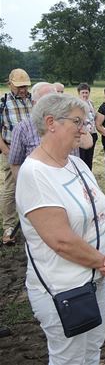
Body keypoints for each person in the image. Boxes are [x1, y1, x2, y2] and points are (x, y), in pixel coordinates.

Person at [16, 93, 105, 364]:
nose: (84, 128)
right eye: (78, 121)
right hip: (65, 289)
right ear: (51, 122)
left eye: (85, 121)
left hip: (96, 279)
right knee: (70, 358)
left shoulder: (76, 163)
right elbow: (61, 240)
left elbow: (102, 208)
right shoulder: (35, 174)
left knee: (92, 350)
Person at [8, 83, 92, 180]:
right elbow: (15, 163)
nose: (55, 105)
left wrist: (77, 122)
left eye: (57, 100)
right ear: (35, 103)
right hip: (42, 185)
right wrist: (26, 186)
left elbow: (87, 143)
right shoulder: (22, 128)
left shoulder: (68, 122)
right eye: (48, 101)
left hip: (71, 180)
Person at [1, 68, 33, 245]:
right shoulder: (3, 103)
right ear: (10, 84)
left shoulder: (32, 101)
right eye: (19, 86)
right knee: (11, 189)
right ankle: (8, 227)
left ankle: (31, 223)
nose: (23, 90)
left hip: (31, 152)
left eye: (25, 86)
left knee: (31, 187)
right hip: (10, 150)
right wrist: (7, 153)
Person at [77, 83, 99, 170]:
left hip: (92, 133)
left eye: (86, 92)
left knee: (90, 157)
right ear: (79, 93)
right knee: (82, 157)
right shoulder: (77, 104)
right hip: (83, 134)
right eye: (83, 93)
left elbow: (94, 117)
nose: (85, 95)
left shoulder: (91, 103)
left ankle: (89, 173)